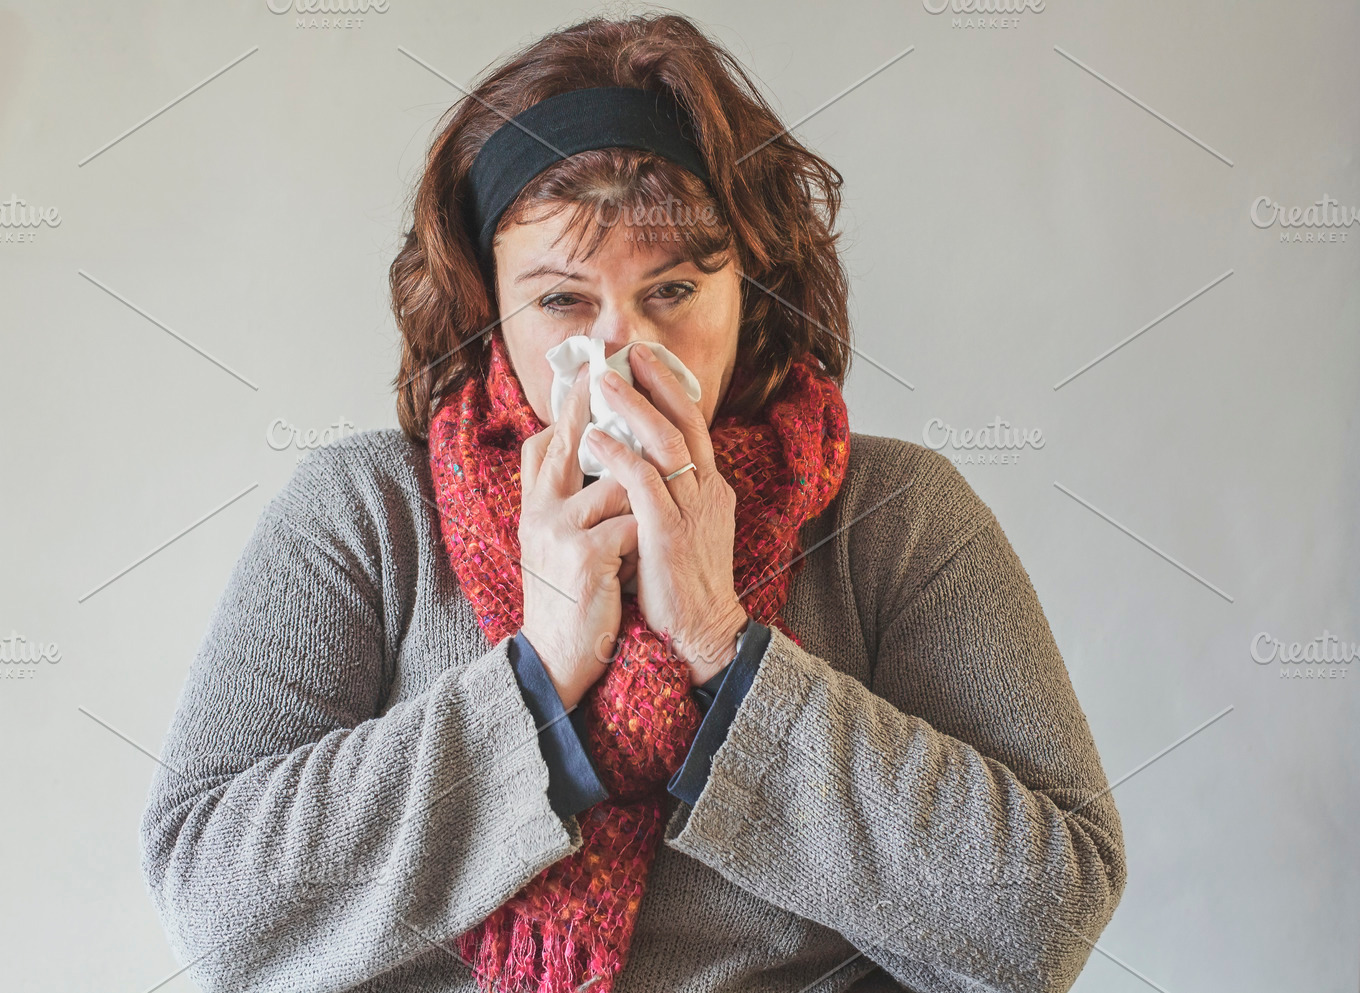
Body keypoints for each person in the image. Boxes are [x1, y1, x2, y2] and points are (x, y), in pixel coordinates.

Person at [140, 13, 1126, 993]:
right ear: (488, 306)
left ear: (752, 287)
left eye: (673, 290)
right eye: (563, 300)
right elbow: (215, 906)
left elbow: (1045, 917)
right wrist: (537, 679)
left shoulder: (896, 517)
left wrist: (721, 648)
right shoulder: (363, 516)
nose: (620, 351)